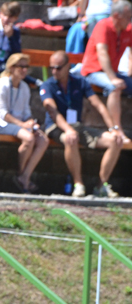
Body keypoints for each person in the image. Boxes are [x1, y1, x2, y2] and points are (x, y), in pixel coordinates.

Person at [41, 50, 123, 198]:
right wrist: (68, 130)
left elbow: (98, 105)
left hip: (76, 125)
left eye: (58, 68)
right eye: (51, 67)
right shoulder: (47, 85)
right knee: (70, 138)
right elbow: (53, 113)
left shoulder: (80, 82)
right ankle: (78, 184)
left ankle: (102, 185)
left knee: (115, 141)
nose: (54, 71)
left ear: (68, 66)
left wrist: (114, 129)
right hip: (56, 126)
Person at [0, 53, 48, 193]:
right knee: (28, 138)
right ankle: (22, 177)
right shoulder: (1, 84)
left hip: (18, 126)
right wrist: (22, 125)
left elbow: (26, 112)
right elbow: (1, 113)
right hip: (0, 124)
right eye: (20, 66)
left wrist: (31, 123)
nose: (24, 70)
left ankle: (24, 176)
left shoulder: (25, 87)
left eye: (26, 67)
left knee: (42, 139)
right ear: (11, 67)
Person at [81, 1, 132, 144]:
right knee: (115, 86)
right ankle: (117, 129)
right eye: (128, 17)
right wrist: (113, 78)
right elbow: (102, 53)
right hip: (93, 71)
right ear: (117, 16)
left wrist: (130, 70)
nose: (130, 20)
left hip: (113, 72)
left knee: (120, 83)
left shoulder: (128, 29)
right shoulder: (103, 25)